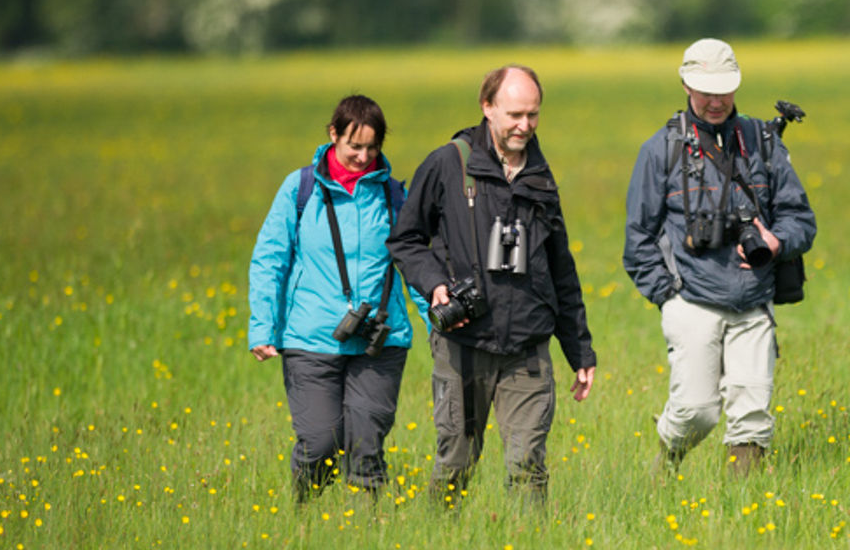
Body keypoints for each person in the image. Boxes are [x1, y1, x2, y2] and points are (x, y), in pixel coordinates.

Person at [387, 65, 596, 506]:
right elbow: (406, 241)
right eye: (515, 114)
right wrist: (435, 285)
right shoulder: (448, 163)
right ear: (487, 107)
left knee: (528, 465)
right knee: (456, 463)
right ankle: (439, 549)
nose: (525, 125)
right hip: (464, 341)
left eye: (533, 115)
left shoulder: (540, 173)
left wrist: (579, 350)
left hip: (527, 346)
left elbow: (561, 267)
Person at [624, 38, 817, 477]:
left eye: (724, 90)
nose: (716, 101)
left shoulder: (764, 143)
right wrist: (668, 295)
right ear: (686, 86)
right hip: (690, 298)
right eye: (706, 90)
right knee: (696, 411)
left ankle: (742, 509)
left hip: (753, 301)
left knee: (752, 416)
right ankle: (666, 460)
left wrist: (777, 243)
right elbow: (638, 239)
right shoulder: (661, 149)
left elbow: (800, 218)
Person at [248, 95, 421, 504]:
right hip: (311, 339)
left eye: (372, 147)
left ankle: (371, 536)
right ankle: (305, 516)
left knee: (366, 448)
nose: (363, 156)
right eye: (353, 146)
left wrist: (440, 325)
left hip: (381, 340)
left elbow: (417, 264)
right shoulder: (301, 188)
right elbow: (270, 259)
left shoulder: (394, 195)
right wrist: (262, 326)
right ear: (333, 135)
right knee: (319, 446)